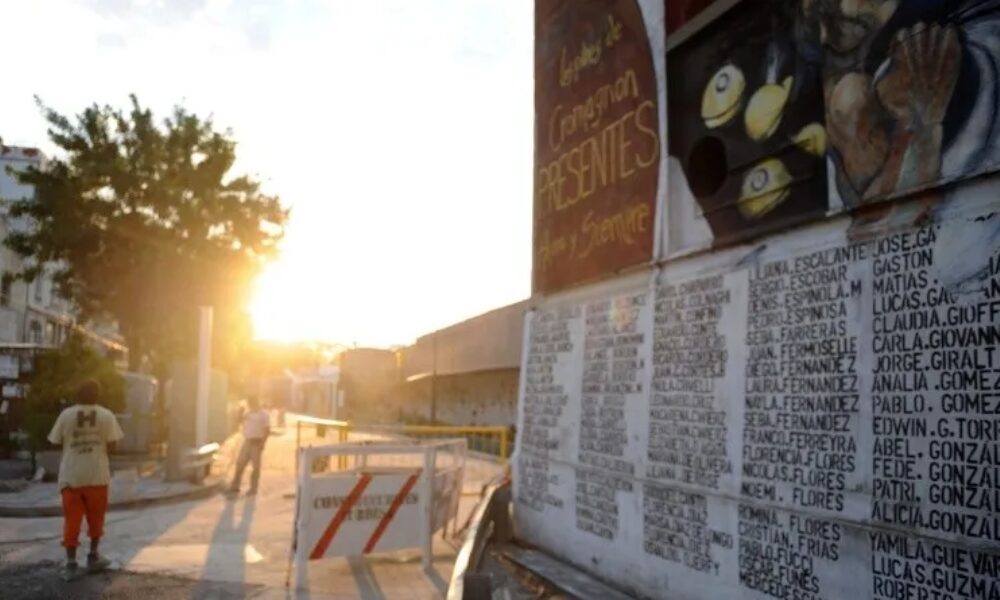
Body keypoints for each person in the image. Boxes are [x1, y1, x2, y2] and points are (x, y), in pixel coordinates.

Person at [47, 379, 124, 579]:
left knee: (72, 520)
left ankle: (71, 564)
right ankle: (93, 556)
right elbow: (114, 446)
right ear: (97, 395)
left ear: (77, 394)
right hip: (97, 475)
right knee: (96, 519)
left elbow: (55, 441)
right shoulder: (106, 415)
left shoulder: (66, 415)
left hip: (71, 476)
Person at [228, 396, 270, 496]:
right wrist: (240, 413)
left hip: (257, 442)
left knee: (255, 468)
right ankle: (235, 486)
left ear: (257, 402)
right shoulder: (248, 413)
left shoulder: (264, 414)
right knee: (240, 464)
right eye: (250, 403)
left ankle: (253, 488)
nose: (251, 405)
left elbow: (267, 430)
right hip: (247, 441)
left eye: (253, 403)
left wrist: (263, 443)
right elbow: (238, 421)